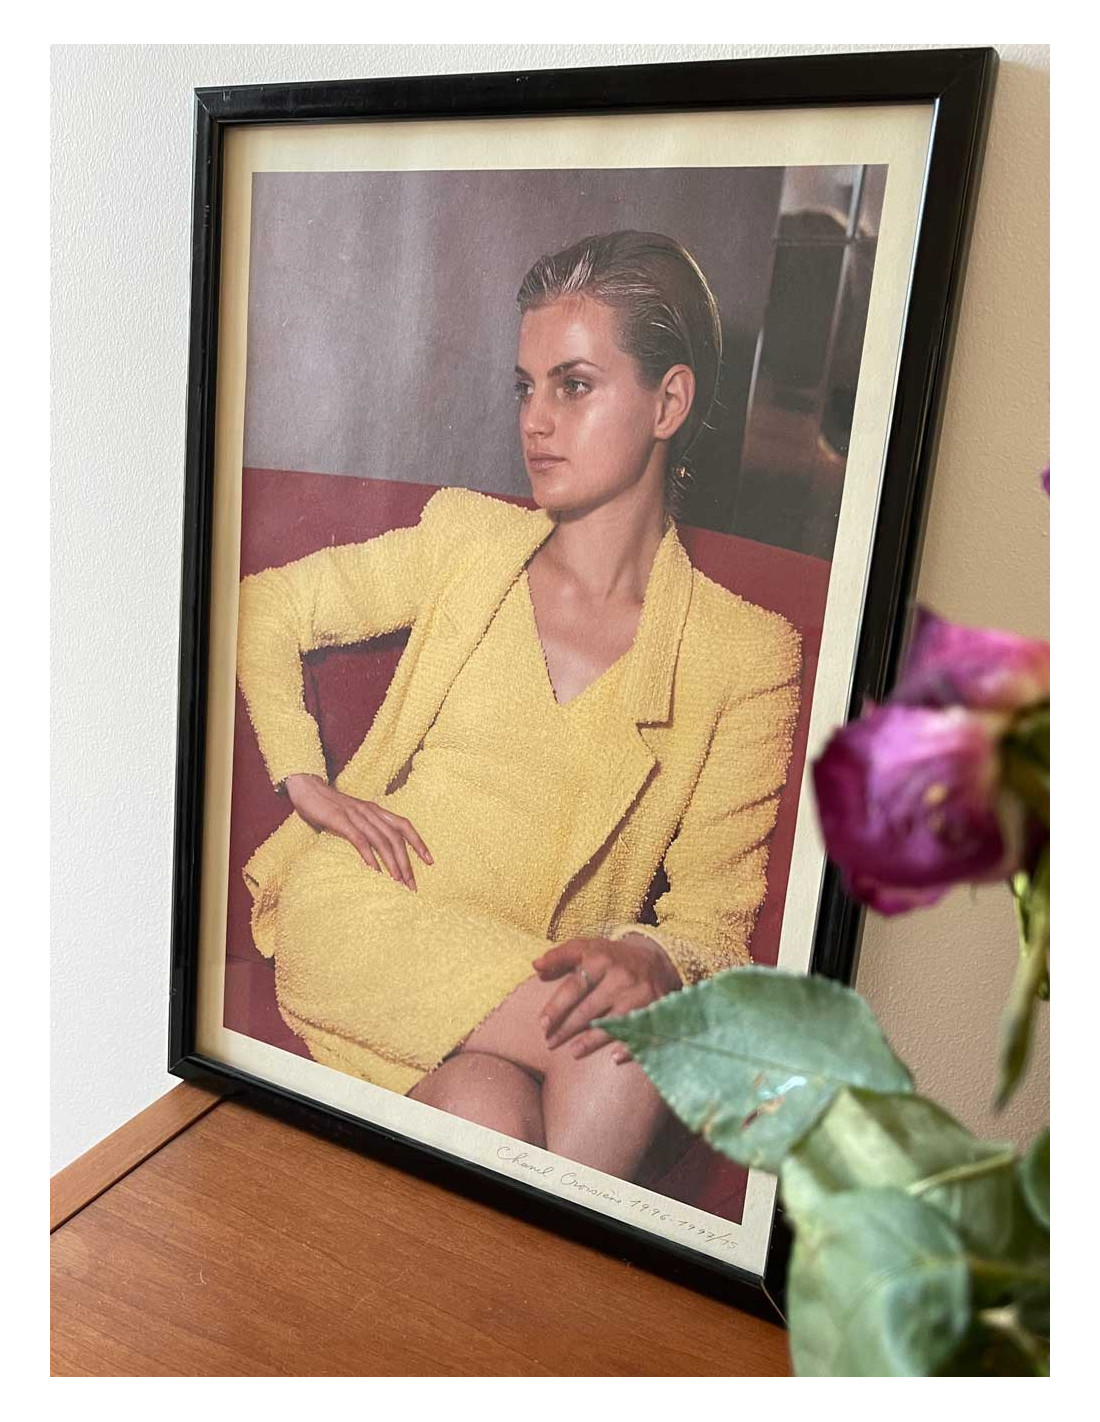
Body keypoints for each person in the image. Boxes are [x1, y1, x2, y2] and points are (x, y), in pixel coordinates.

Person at [235, 230, 801, 1189]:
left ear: (669, 402)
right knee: (620, 1048)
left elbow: (713, 924)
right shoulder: (466, 538)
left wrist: (654, 959)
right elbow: (263, 606)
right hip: (367, 919)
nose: (535, 420)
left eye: (573, 385)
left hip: (528, 989)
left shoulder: (746, 656)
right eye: (525, 387)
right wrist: (304, 779)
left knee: (488, 1111)